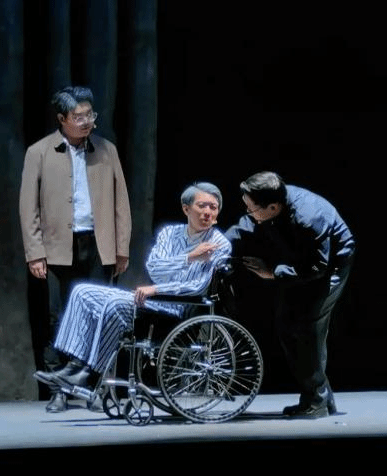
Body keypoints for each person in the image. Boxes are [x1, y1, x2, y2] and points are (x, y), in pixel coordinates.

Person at [33, 182, 231, 394]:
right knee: (82, 292)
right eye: (202, 205)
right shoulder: (169, 233)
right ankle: (73, 366)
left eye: (213, 207)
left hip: (179, 308)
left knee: (115, 304)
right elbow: (154, 268)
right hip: (154, 300)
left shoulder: (219, 244)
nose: (208, 212)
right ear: (186, 208)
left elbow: (198, 286)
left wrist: (156, 289)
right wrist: (189, 258)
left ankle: (89, 373)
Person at [19, 86, 132, 412]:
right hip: (57, 247)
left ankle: (96, 388)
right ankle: (59, 390)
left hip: (98, 245)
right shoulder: (39, 152)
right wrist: (35, 252)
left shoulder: (106, 150)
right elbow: (28, 207)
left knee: (100, 316)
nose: (86, 122)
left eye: (89, 115)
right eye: (78, 117)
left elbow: (121, 202)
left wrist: (121, 248)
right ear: (62, 119)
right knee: (59, 317)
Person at [225, 171, 355, 418]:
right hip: (302, 261)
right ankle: (320, 397)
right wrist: (220, 244)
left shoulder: (309, 217)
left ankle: (316, 402)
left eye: (252, 208)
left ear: (273, 207)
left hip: (330, 265)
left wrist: (273, 273)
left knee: (308, 328)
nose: (248, 212)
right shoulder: (272, 202)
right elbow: (247, 225)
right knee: (287, 323)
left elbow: (317, 266)